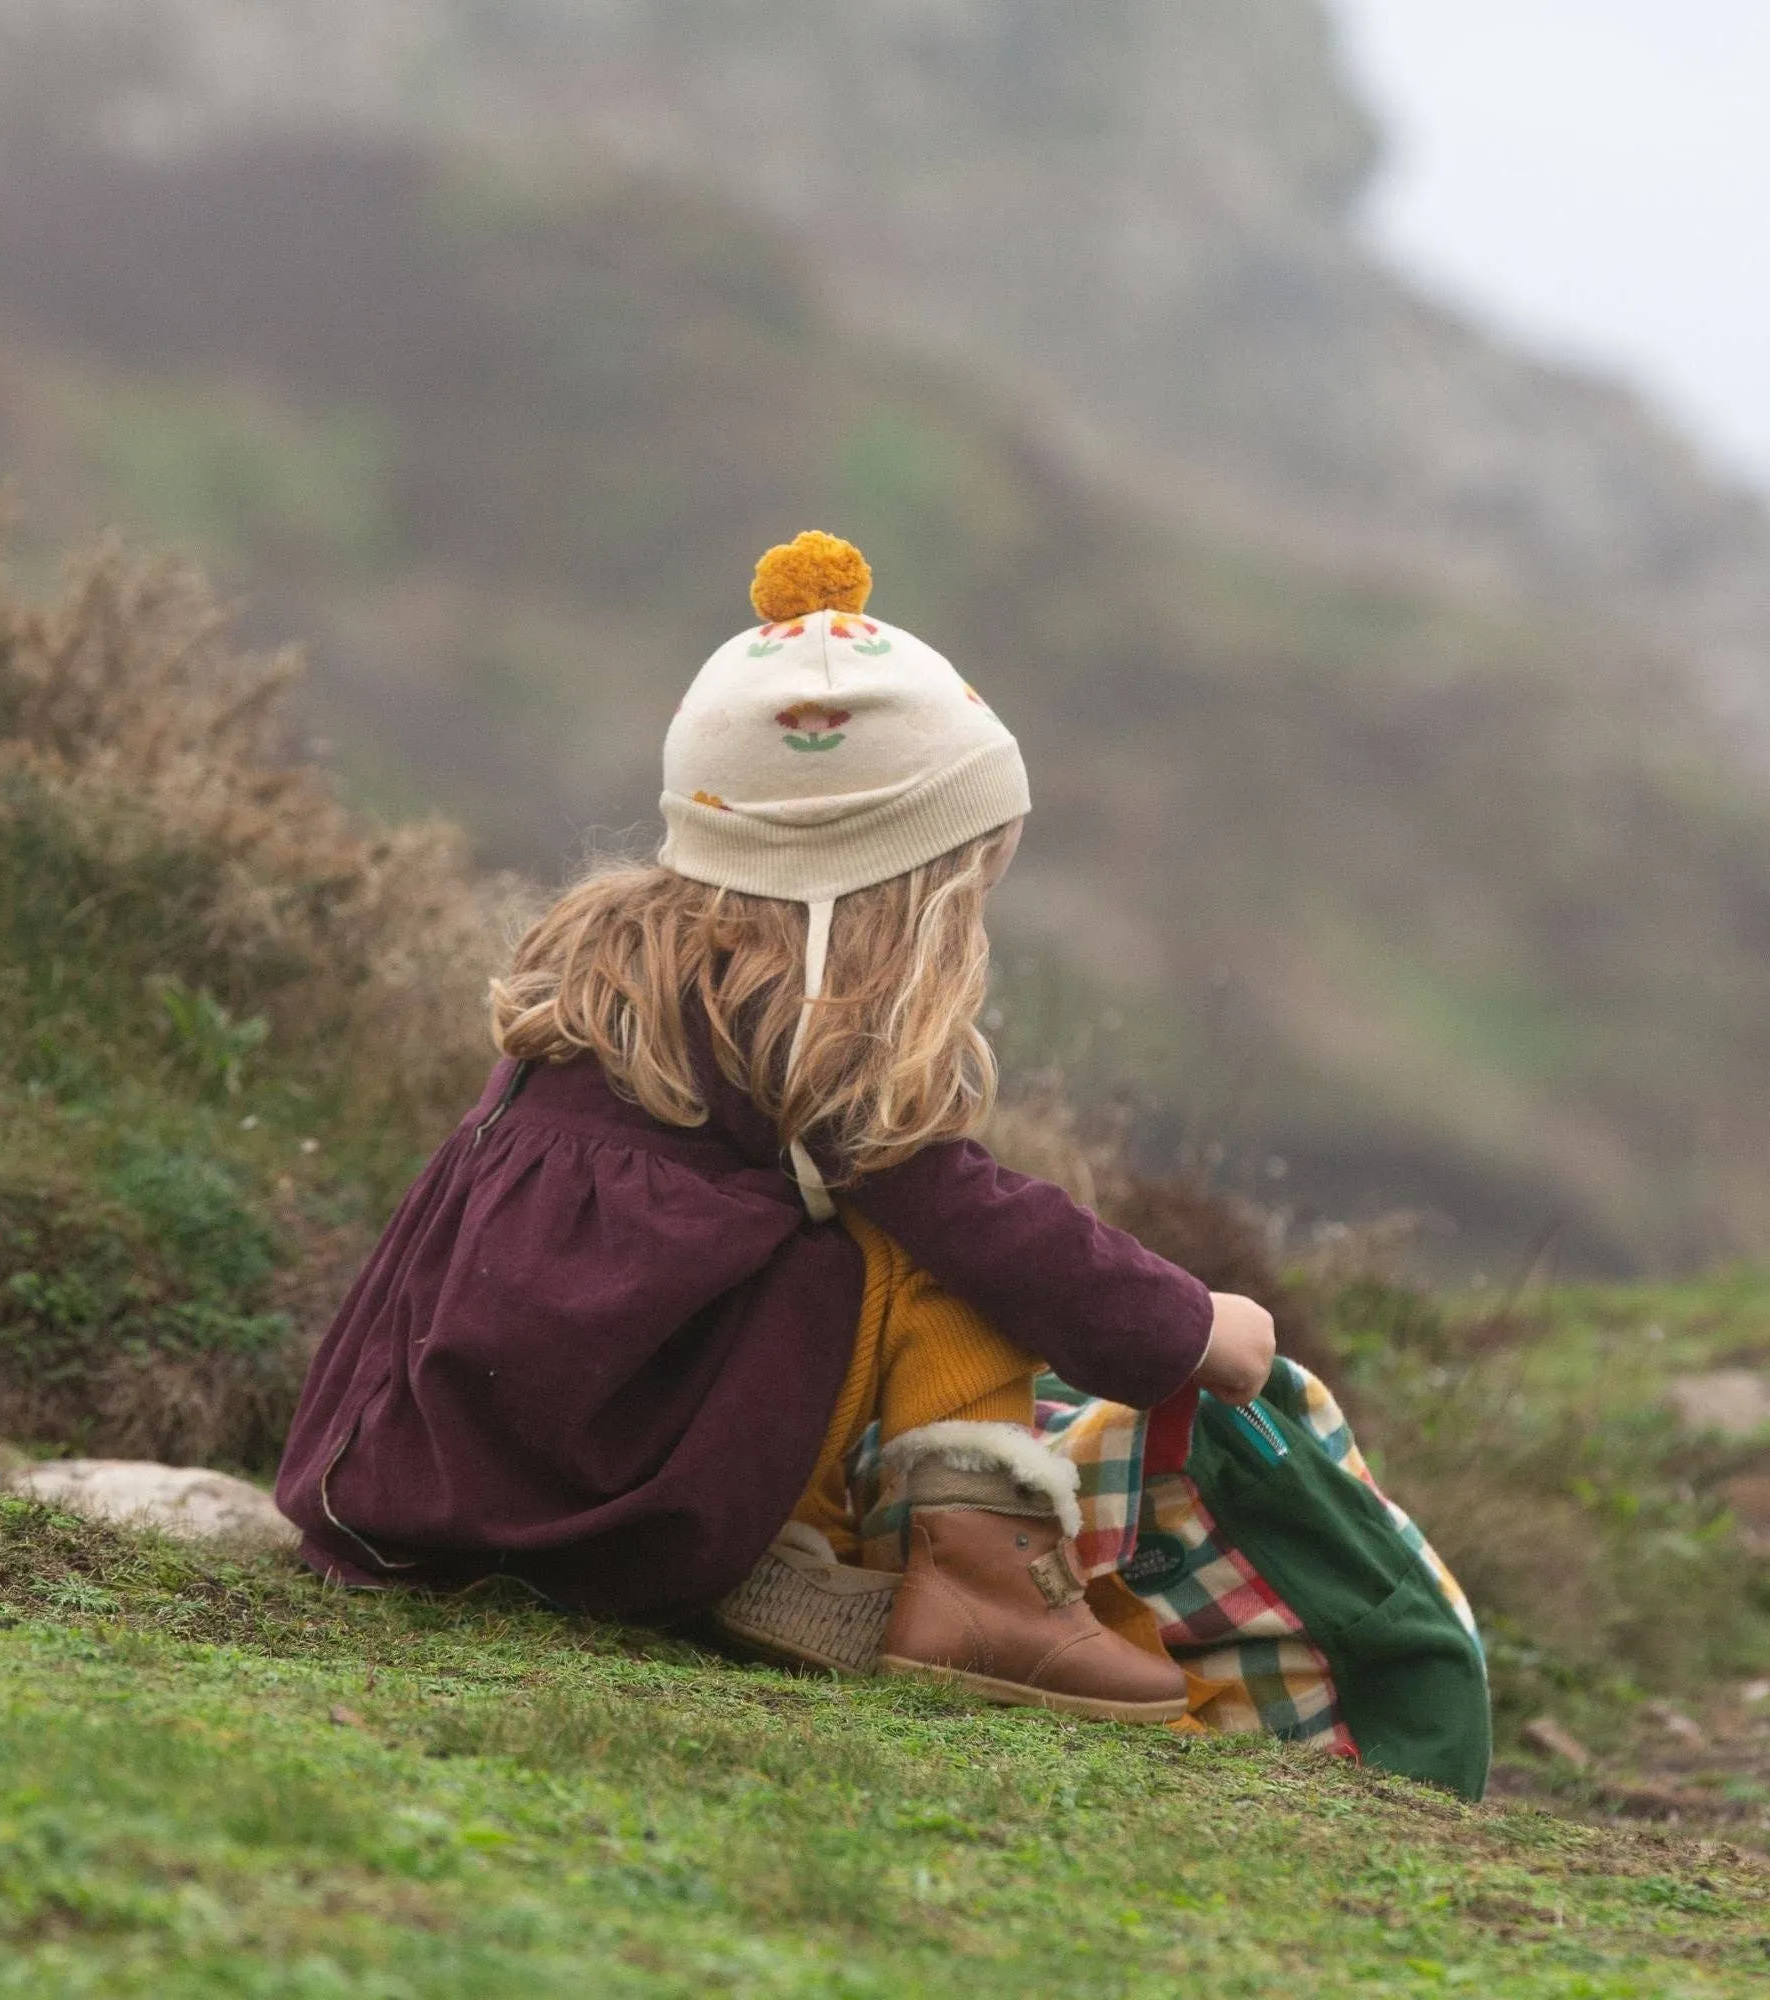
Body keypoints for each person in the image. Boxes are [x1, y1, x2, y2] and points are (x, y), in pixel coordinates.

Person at [276, 531, 1276, 1723]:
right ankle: (982, 1588)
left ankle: (813, 1553)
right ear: (880, 892)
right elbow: (999, 1231)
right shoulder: (801, 1029)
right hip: (609, 1496)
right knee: (921, 1247)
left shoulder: (622, 965)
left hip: (416, 1473)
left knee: (821, 1228)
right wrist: (1191, 1327)